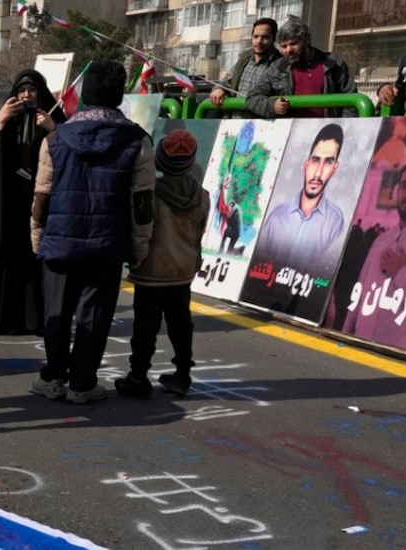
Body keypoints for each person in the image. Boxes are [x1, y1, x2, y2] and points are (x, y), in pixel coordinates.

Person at [29, 61, 155, 404]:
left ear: (84, 94)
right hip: (107, 245)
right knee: (95, 316)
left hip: (59, 241)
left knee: (56, 313)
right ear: (118, 94)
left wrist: (38, 239)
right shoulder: (138, 140)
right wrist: (140, 248)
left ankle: (54, 377)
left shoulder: (56, 138)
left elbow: (42, 195)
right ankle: (82, 384)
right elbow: (142, 204)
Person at [115, 130, 210, 399]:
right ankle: (182, 374)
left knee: (146, 325)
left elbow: (141, 228)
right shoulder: (202, 196)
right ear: (191, 162)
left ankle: (138, 375)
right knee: (181, 323)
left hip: (152, 270)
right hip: (183, 270)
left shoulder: (150, 193)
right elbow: (200, 234)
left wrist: (135, 258)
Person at [0, 70, 64, 336]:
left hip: (40, 201)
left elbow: (67, 156)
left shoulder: (53, 117)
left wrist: (53, 130)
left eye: (32, 90)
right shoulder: (3, 117)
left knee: (36, 258)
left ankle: (35, 319)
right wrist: (0, 126)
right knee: (4, 254)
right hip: (6, 200)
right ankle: (2, 319)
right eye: (22, 91)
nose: (26, 96)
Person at [258, 123, 346, 274]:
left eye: (328, 162)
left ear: (335, 169)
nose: (318, 173)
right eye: (315, 160)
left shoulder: (335, 221)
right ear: (305, 165)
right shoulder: (278, 215)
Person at [342, 166, 406, 349]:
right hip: (359, 346)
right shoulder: (381, 241)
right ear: (397, 191)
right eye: (405, 186)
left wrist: (400, 273)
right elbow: (359, 295)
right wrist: (345, 337)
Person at [245, 16, 358, 119]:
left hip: (327, 134)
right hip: (291, 135)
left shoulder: (332, 63)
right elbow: (252, 98)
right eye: (284, 46)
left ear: (307, 40)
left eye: (293, 43)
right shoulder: (277, 68)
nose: (288, 50)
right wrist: (272, 106)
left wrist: (343, 126)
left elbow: (351, 99)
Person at [209, 18, 281, 119]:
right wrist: (219, 89)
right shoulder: (243, 60)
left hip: (263, 126)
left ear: (273, 39)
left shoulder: (280, 64)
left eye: (265, 37)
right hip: (234, 124)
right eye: (256, 36)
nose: (259, 41)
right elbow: (226, 82)